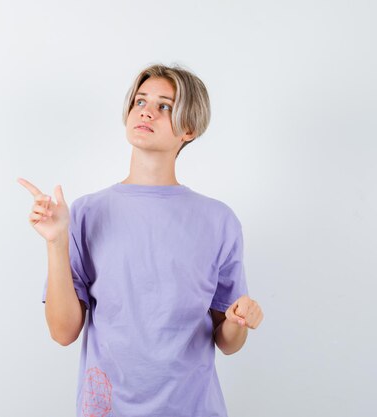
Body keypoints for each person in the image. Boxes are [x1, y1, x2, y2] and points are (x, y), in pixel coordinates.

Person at [17, 62, 264, 417]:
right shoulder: (86, 213)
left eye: (165, 106)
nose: (147, 111)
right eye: (140, 101)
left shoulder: (218, 221)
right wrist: (56, 242)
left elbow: (227, 342)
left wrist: (239, 322)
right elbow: (63, 332)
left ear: (189, 129)